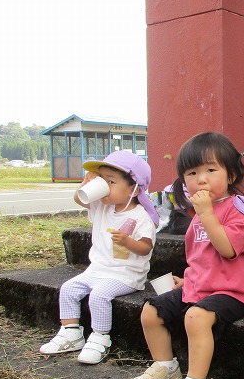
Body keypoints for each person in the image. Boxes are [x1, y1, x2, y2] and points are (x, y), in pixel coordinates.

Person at [127, 132, 244, 379]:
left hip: (233, 292)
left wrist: (207, 214)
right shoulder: (199, 212)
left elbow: (226, 250)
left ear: (231, 174)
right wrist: (187, 280)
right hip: (200, 287)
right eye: (192, 172)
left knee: (195, 316)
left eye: (210, 170)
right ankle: (166, 366)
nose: (201, 179)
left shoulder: (239, 211)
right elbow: (200, 258)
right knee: (151, 310)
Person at [40, 151, 159, 364]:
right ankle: (71, 332)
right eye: (102, 180)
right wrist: (86, 184)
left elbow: (145, 248)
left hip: (125, 275)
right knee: (68, 288)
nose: (104, 186)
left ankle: (100, 337)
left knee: (98, 295)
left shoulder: (141, 216)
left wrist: (127, 242)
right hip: (97, 270)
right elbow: (80, 199)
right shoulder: (103, 206)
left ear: (133, 189)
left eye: (111, 182)